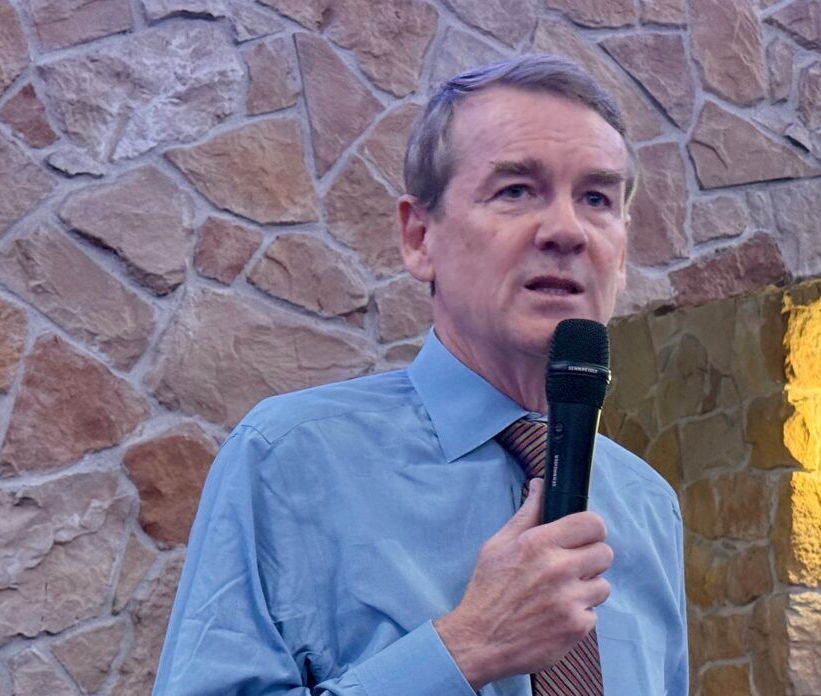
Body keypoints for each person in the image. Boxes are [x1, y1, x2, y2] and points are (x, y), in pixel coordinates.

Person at [153, 54, 687, 695]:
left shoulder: (648, 505)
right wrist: (466, 647)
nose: (566, 230)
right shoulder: (291, 459)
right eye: (516, 190)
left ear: (622, 251)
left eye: (596, 198)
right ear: (418, 237)